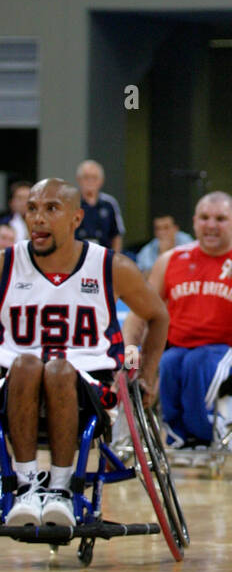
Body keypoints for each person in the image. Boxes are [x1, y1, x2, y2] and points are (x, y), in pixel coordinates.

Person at [0, 178, 167, 528]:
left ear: (76, 219)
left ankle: (61, 487)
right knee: (28, 363)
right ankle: (27, 485)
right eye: (31, 209)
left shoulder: (110, 266)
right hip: (13, 381)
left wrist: (148, 374)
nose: (38, 218)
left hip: (90, 385)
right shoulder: (6, 264)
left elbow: (157, 315)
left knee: (59, 369)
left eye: (51, 208)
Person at [124, 192, 232, 449]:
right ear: (194, 222)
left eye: (220, 218)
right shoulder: (170, 260)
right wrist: (129, 345)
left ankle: (206, 432)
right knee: (169, 363)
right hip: (179, 346)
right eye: (205, 218)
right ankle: (179, 437)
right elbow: (141, 310)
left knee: (198, 364)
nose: (211, 225)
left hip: (229, 350)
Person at [75, 160, 125, 251]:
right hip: (76, 255)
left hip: (103, 254)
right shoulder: (72, 202)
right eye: (86, 177)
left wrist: (114, 258)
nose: (90, 181)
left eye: (94, 178)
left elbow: (117, 235)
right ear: (78, 180)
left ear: (101, 181)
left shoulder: (109, 203)